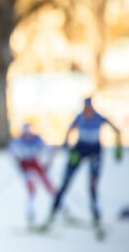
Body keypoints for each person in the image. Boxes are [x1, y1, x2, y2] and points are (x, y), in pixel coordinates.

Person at [40, 97, 121, 240]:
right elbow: (70, 130)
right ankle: (52, 215)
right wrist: (65, 144)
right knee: (65, 183)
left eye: (89, 109)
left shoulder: (99, 118)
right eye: (85, 109)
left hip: (95, 152)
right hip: (79, 150)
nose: (87, 112)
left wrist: (118, 149)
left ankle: (96, 217)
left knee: (93, 187)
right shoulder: (80, 118)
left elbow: (116, 130)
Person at [9, 123, 55, 228]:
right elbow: (11, 153)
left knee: (49, 186)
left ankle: (60, 208)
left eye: (29, 134)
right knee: (31, 189)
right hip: (26, 166)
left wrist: (48, 162)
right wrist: (17, 164)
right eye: (25, 134)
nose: (27, 136)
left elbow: (49, 149)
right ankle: (30, 212)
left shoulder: (37, 140)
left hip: (36, 164)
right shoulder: (18, 141)